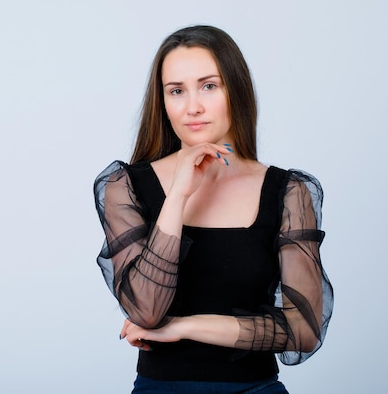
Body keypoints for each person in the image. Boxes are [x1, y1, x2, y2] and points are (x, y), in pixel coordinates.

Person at [93, 25, 333, 394]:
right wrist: (177, 196)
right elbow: (146, 311)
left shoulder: (288, 191)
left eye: (209, 86)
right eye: (176, 91)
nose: (193, 107)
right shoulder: (126, 186)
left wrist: (184, 327)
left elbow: (303, 331)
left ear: (235, 91)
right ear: (164, 103)